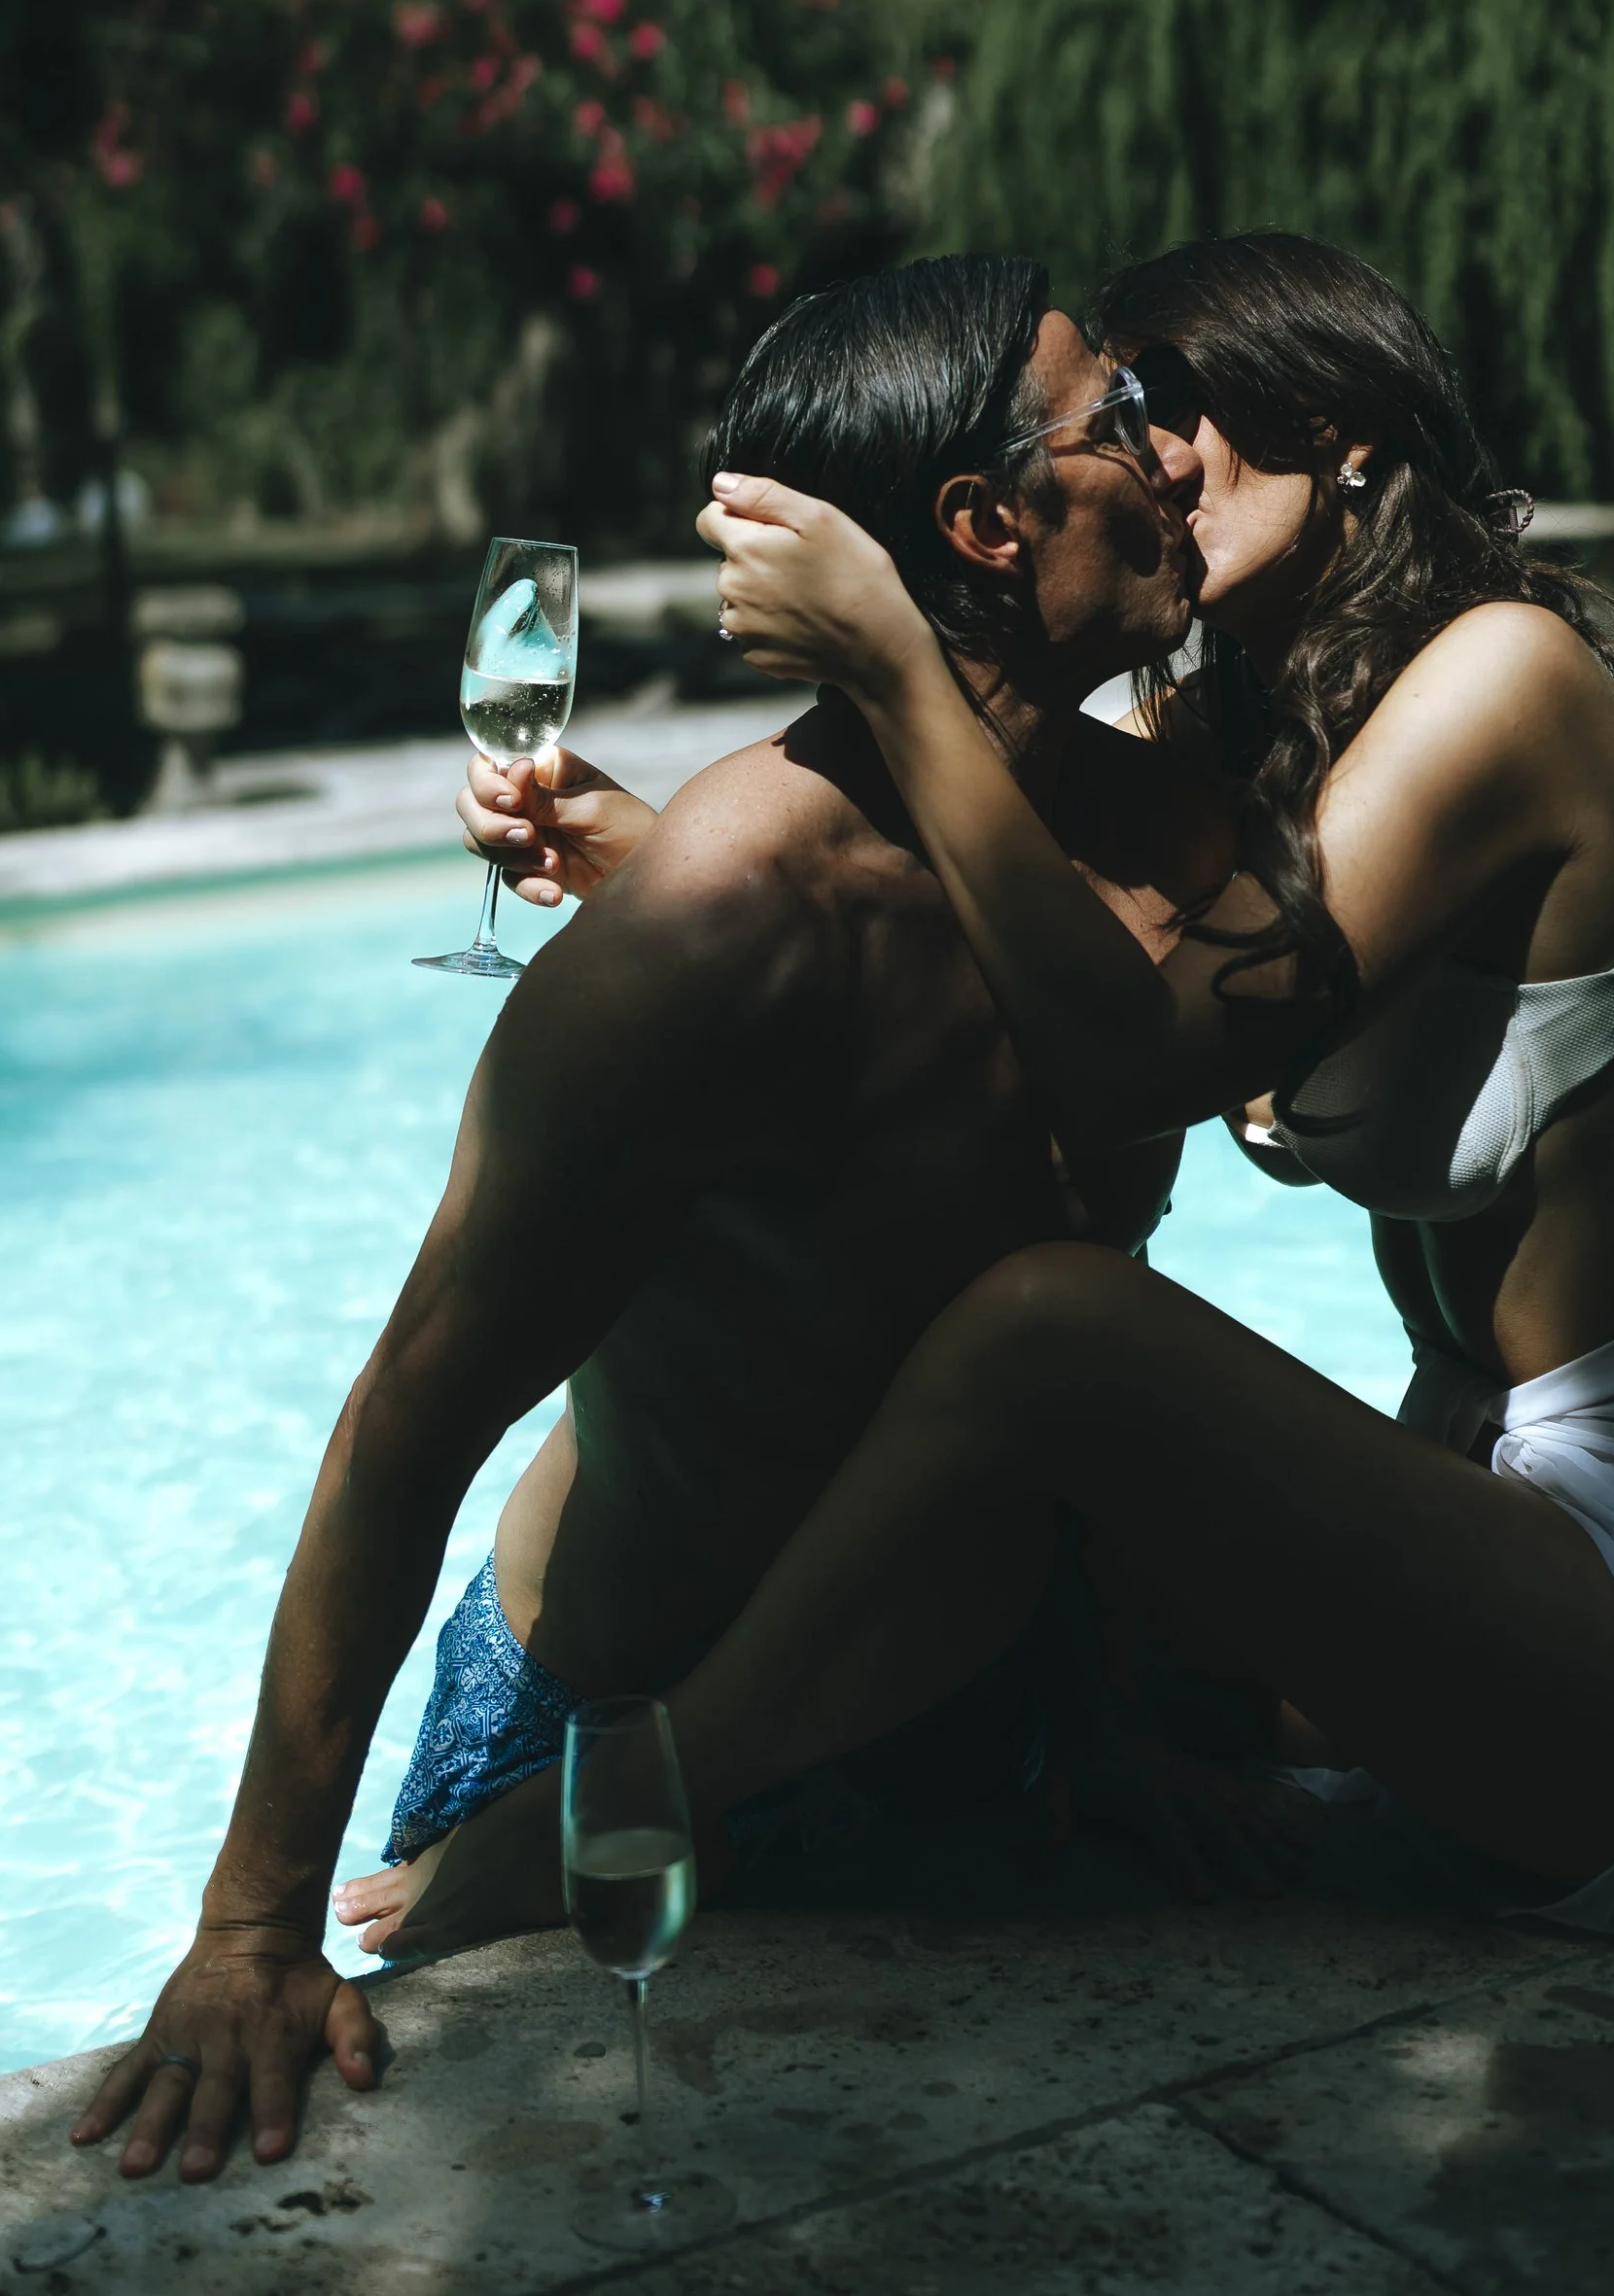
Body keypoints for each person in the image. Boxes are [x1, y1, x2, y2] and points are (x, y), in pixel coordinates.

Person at [70, 255, 1224, 2188]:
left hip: (961, 1720)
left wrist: (1106, 1704)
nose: (1173, 444)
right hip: (610, 1755)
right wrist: (252, 1926)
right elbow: (405, 1414)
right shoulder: (725, 926)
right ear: (981, 524)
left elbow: (1066, 1292)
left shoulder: (1150, 841)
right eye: (1117, 411)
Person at [682, 231, 1614, 1930]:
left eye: (1170, 403)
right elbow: (999, 1012)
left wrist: (889, 660)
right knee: (933, 1406)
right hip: (1485, 1525)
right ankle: (767, 1786)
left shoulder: (1502, 686)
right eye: (1112, 418)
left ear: (1342, 422)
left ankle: (638, 1795)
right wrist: (668, 867)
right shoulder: (1230, 747)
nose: (1143, 455)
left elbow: (1131, 1060)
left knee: (1048, 1329)